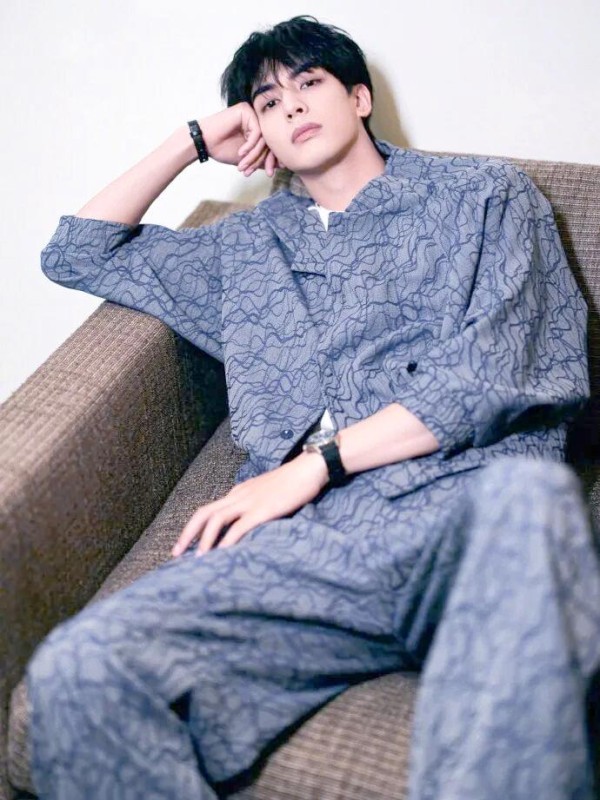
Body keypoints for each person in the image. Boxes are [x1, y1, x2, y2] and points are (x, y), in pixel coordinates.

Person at [26, 14, 600, 800]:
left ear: (360, 97)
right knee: (79, 668)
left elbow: (496, 370)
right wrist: (192, 140)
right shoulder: (244, 247)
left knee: (529, 503)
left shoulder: (484, 196)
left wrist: (314, 465)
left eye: (310, 82)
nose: (290, 104)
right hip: (305, 548)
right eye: (267, 101)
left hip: (467, 507)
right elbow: (76, 252)